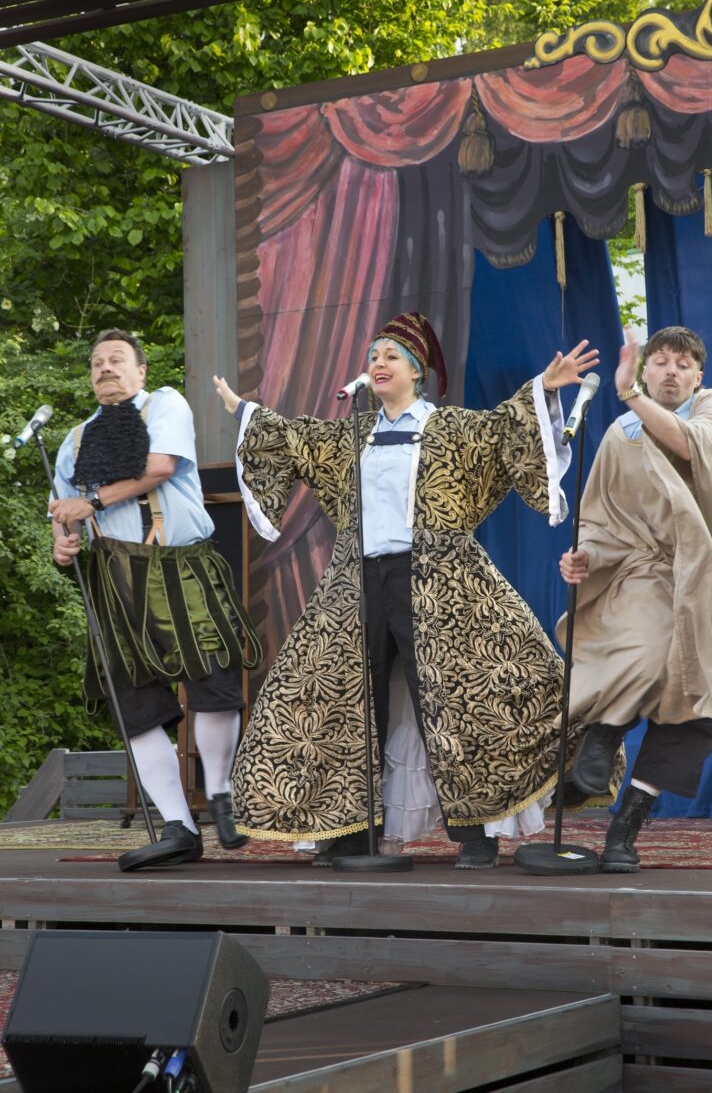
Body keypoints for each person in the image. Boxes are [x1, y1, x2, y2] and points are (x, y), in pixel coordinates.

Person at [214, 311, 604, 869]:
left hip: (442, 579)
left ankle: (475, 834)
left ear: (417, 373)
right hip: (359, 581)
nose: (378, 363)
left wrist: (543, 388)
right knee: (347, 700)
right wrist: (243, 411)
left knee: (455, 701)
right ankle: (353, 832)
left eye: (391, 356)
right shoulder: (352, 435)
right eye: (373, 355)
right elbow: (293, 437)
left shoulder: (451, 428)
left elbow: (503, 431)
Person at [558, 326, 712, 872]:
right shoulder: (620, 434)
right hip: (648, 575)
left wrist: (630, 394)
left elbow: (688, 445)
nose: (671, 371)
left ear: (699, 375)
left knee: (695, 717)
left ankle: (626, 826)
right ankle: (601, 739)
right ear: (646, 370)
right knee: (641, 647)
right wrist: (584, 558)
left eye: (683, 364)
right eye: (660, 362)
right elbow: (603, 522)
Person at [49, 328, 262, 870]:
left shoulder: (165, 403)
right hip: (114, 581)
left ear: (140, 371)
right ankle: (178, 827)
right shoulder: (73, 442)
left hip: (178, 566)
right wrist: (63, 545)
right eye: (97, 362)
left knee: (213, 681)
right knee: (136, 707)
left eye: (117, 360)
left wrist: (89, 502)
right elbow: (62, 515)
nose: (105, 368)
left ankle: (220, 794)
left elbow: (160, 468)